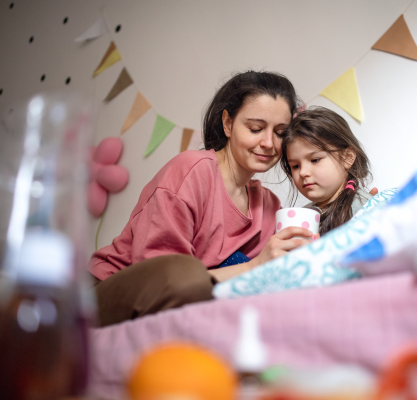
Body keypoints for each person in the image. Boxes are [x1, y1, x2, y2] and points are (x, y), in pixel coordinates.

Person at [90, 71, 317, 326]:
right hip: (109, 291)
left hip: (186, 295)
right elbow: (164, 278)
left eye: (280, 132)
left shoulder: (268, 206)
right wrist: (252, 267)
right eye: (255, 128)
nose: (268, 142)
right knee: (186, 274)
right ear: (228, 124)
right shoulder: (191, 171)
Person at [280, 106, 377, 236]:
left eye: (315, 160)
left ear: (347, 157)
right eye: (295, 166)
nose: (303, 172)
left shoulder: (363, 208)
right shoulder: (303, 215)